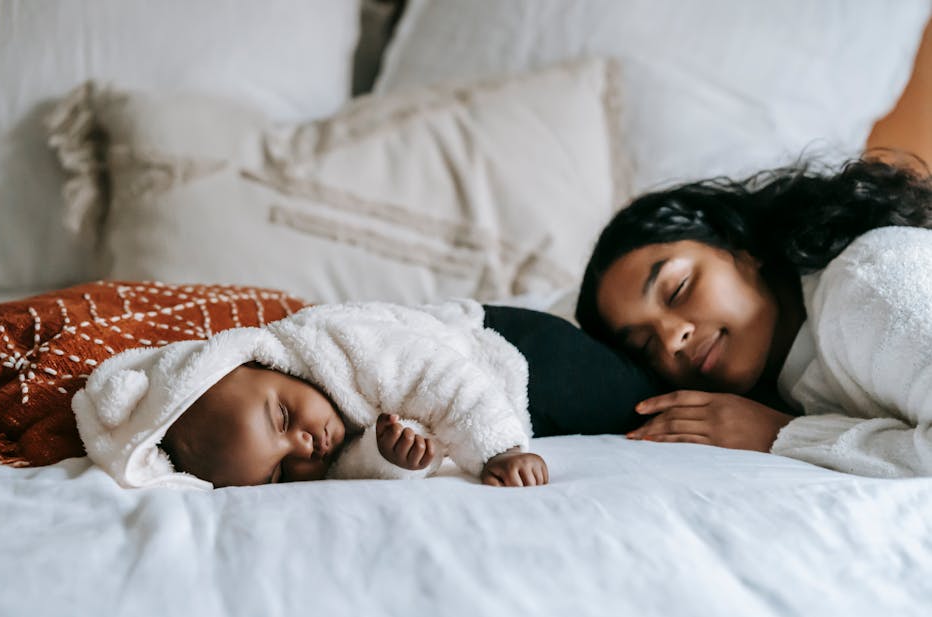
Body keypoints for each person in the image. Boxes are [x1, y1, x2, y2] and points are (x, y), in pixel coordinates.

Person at [575, 156, 932, 478]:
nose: (671, 340)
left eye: (677, 289)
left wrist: (779, 434)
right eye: (645, 345)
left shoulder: (870, 282)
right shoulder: (790, 375)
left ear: (740, 247)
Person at [74, 299, 656, 489]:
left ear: (262, 361)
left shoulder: (338, 344)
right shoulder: (315, 447)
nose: (305, 448)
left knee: (644, 394)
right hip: (501, 394)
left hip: (512, 351)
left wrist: (499, 450)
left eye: (282, 417)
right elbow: (358, 464)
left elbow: (439, 379)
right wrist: (395, 456)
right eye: (281, 472)